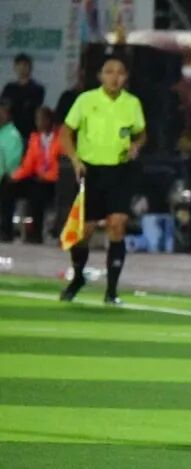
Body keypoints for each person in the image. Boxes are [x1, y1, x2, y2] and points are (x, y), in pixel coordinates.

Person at [59, 53, 145, 305]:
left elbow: (141, 133)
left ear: (126, 77)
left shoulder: (132, 103)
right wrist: (75, 159)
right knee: (84, 232)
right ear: (100, 76)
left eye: (120, 72)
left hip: (119, 171)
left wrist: (136, 145)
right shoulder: (86, 100)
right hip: (91, 171)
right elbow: (65, 132)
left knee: (117, 224)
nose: (114, 77)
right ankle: (78, 277)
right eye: (109, 72)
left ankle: (112, 290)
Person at [1, 106, 59, 244]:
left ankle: (35, 233)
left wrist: (45, 176)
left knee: (38, 193)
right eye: (37, 120)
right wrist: (14, 177)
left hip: (54, 180)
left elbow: (60, 165)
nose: (39, 123)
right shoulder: (35, 138)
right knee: (8, 187)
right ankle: (6, 230)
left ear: (50, 120)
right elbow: (28, 164)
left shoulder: (59, 139)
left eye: (42, 119)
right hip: (36, 177)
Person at [1, 53, 45, 140]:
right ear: (15, 67)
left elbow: (34, 109)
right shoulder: (9, 88)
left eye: (25, 65)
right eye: (19, 65)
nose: (22, 69)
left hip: (28, 132)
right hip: (10, 131)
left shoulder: (37, 89)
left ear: (30, 67)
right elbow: (3, 108)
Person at [0, 102, 24, 240]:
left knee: (6, 188)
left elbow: (12, 162)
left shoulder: (12, 135)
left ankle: (6, 230)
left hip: (8, 177)